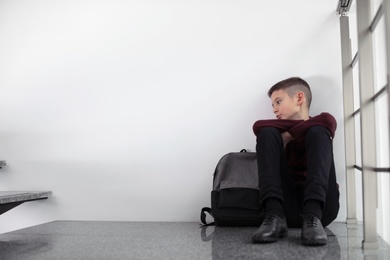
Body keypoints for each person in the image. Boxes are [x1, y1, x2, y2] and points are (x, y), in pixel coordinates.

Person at [251, 77, 339, 246]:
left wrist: (290, 134)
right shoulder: (275, 132)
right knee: (267, 133)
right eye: (272, 105)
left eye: (278, 102)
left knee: (319, 132)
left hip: (322, 210)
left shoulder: (319, 126)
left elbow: (328, 120)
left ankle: (312, 216)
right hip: (285, 209)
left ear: (299, 98)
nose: (275, 110)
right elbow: (258, 126)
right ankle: (273, 215)